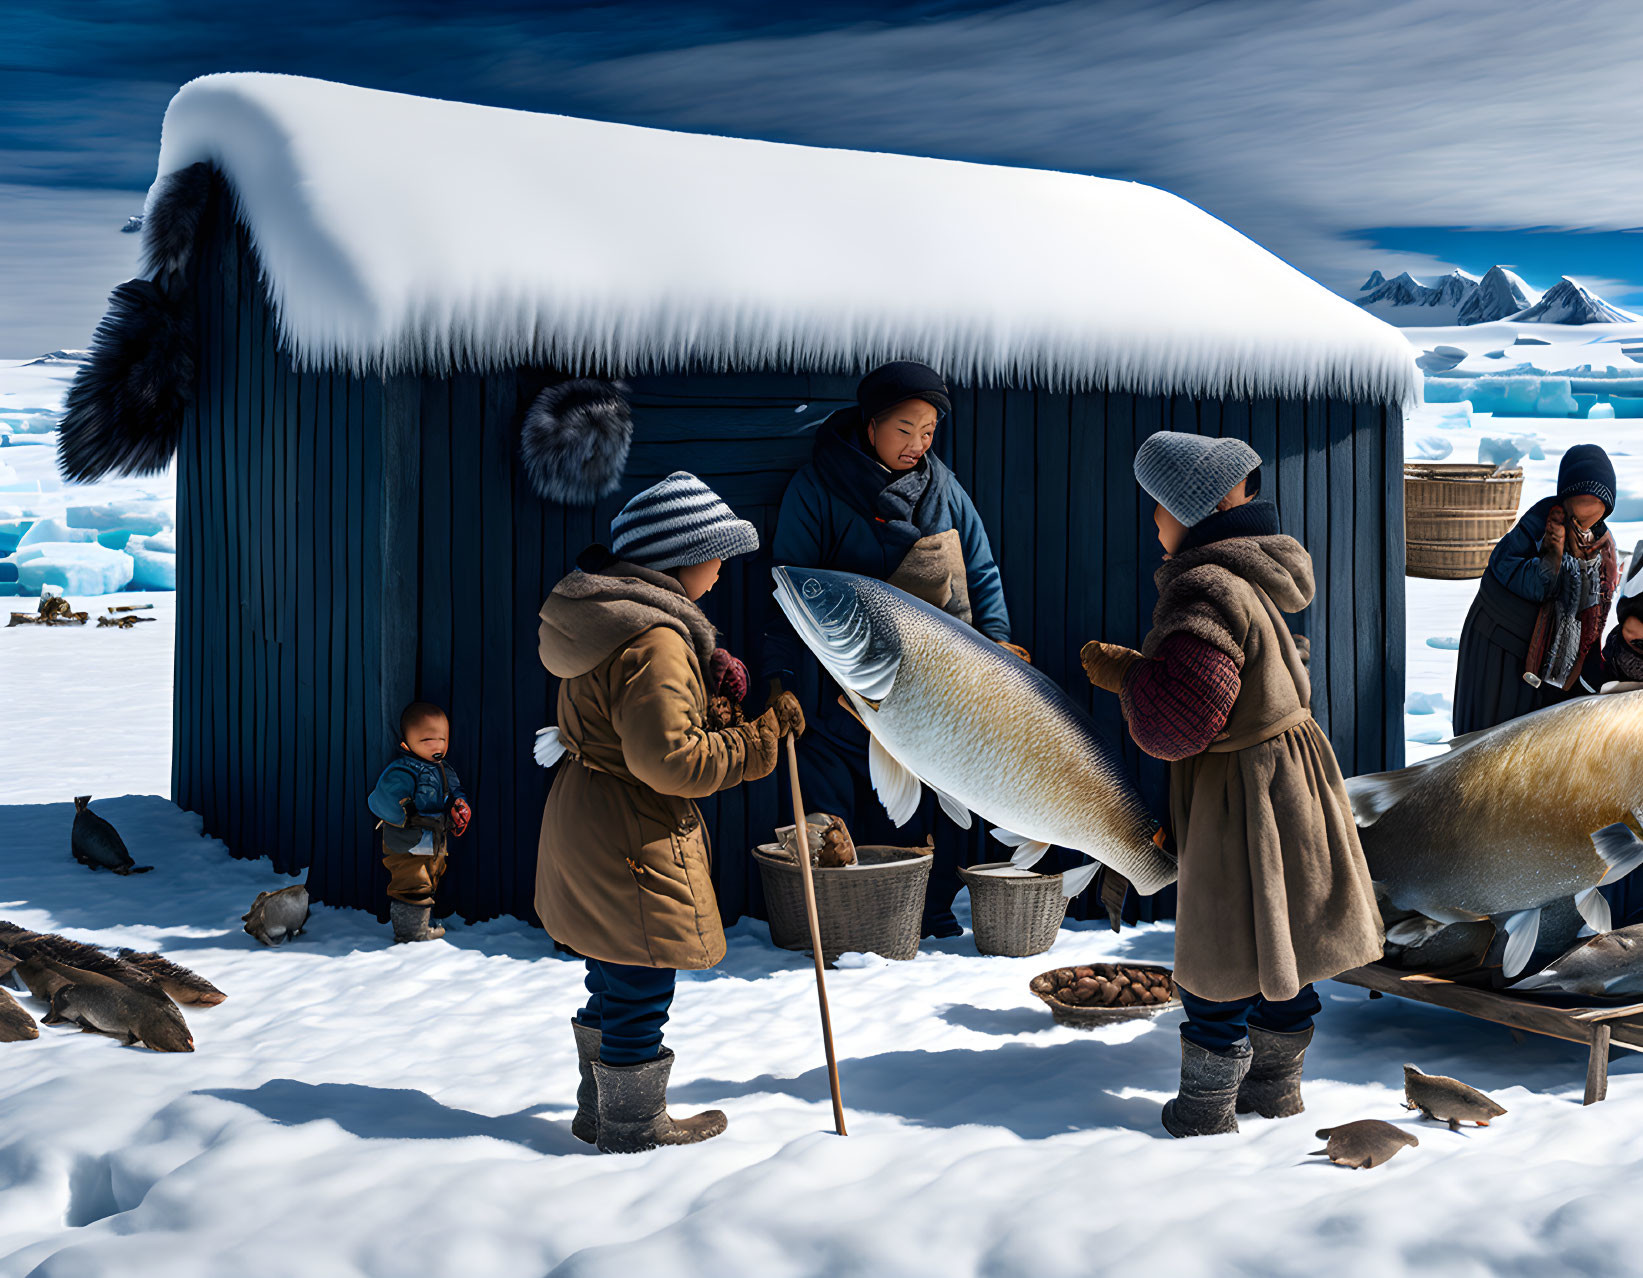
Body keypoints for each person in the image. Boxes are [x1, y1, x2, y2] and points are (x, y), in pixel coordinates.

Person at [1080, 432, 1382, 1138]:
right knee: (1287, 937)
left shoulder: (1204, 585)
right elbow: (1273, 664)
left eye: (1157, 507)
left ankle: (1206, 1107)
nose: (1151, 522)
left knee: (1222, 948)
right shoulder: (1256, 574)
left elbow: (1180, 721)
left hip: (1239, 794)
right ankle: (1276, 1089)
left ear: (1192, 509)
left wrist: (1127, 674)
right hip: (1291, 778)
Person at [534, 471, 806, 1154]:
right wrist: (759, 738)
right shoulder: (655, 643)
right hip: (630, 824)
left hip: (590, 813)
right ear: (679, 559)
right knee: (641, 973)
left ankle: (599, 1111)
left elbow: (627, 717)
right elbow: (669, 761)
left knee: (612, 963)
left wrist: (703, 676)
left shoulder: (611, 622)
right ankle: (631, 1124)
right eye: (715, 555)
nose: (720, 571)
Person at [764, 360, 1023, 938]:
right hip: (837, 686)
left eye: (928, 431)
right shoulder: (818, 489)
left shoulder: (946, 492)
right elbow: (788, 588)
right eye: (904, 429)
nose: (917, 444)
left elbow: (980, 574)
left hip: (926, 690)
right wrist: (781, 677)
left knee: (922, 806)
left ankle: (923, 917)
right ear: (870, 423)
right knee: (833, 808)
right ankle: (837, 926)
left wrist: (999, 649)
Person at [1452, 444, 1620, 734]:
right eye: (1582, 501)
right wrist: (1553, 567)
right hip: (1501, 642)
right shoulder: (1544, 521)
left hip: (1553, 659)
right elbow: (1505, 568)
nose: (1588, 511)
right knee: (1490, 733)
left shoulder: (1602, 545)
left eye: (1597, 503)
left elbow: (1597, 607)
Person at [367, 701, 472, 943]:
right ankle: (410, 933)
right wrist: (406, 812)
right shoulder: (403, 771)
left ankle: (421, 922)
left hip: (434, 840)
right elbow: (381, 799)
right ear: (406, 743)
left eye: (442, 740)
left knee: (430, 878)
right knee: (412, 882)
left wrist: (459, 806)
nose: (437, 746)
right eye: (427, 741)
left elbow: (455, 792)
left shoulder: (444, 770)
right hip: (408, 841)